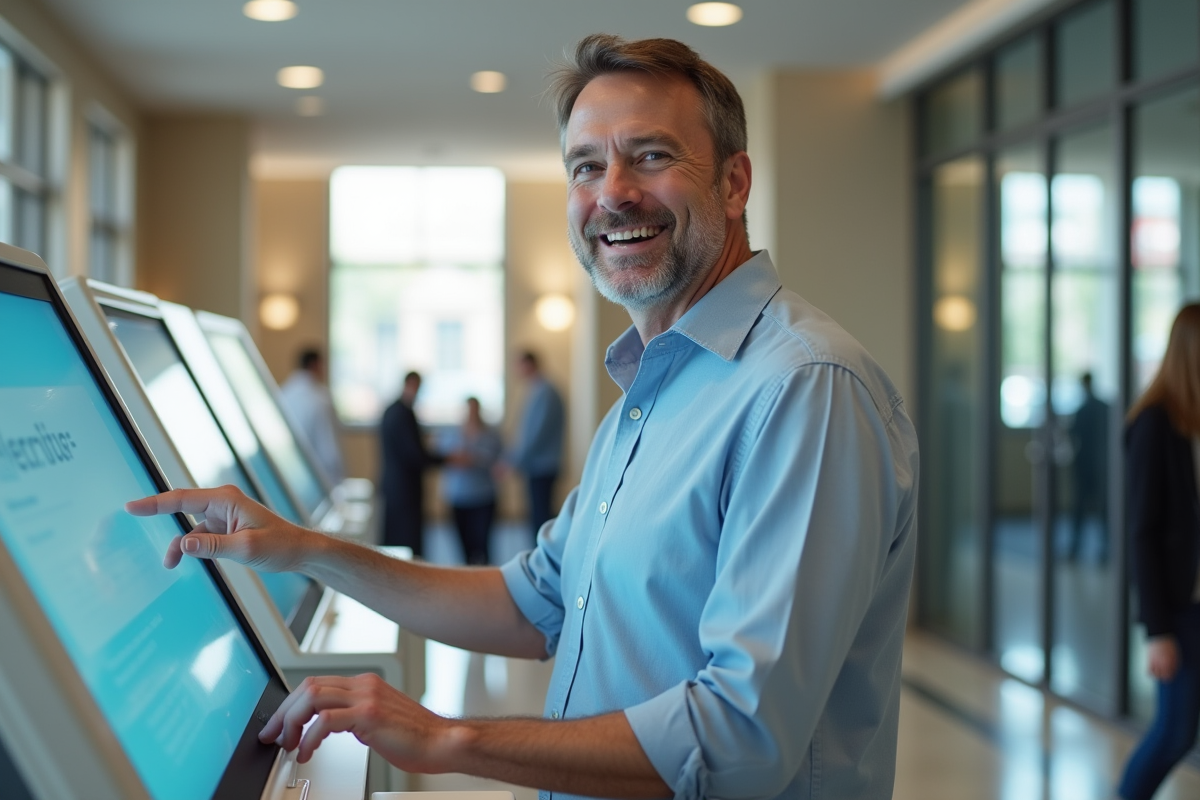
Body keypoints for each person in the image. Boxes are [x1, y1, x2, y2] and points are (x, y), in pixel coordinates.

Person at [127, 35, 918, 799]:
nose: (613, 192)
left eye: (651, 155)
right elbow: (530, 603)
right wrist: (306, 550)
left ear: (734, 183)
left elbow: (741, 738)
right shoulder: (652, 392)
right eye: (586, 165)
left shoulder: (804, 390)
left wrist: (448, 737)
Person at [1117, 303, 1200, 800]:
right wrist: (1158, 630)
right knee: (1175, 732)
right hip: (1180, 609)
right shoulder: (1154, 425)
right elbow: (1142, 533)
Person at [378, 371, 441, 557]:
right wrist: (444, 459)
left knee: (398, 539)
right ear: (411, 385)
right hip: (403, 489)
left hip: (395, 486)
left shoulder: (393, 410)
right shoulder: (402, 413)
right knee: (405, 543)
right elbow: (414, 455)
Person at [509, 350, 565, 540]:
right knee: (537, 516)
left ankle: (542, 556)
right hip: (536, 466)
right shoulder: (536, 390)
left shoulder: (545, 392)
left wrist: (514, 460)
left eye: (518, 365)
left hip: (543, 467)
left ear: (529, 365)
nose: (516, 370)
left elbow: (536, 435)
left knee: (541, 519)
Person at [441, 397, 502, 565]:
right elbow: (443, 457)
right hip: (458, 496)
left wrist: (473, 459)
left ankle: (485, 575)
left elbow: (498, 459)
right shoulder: (452, 433)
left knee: (483, 544)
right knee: (463, 545)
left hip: (483, 495)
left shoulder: (490, 434)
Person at [279, 347, 346, 485]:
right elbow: (329, 451)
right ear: (315, 365)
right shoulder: (321, 399)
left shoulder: (283, 394)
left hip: (289, 473)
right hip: (320, 477)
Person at [1066, 372, 1110, 564]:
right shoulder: (1104, 408)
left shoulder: (1083, 410)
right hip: (1099, 465)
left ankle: (1077, 549)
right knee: (1101, 510)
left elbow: (1073, 436)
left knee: (1083, 509)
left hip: (1087, 465)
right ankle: (1105, 550)